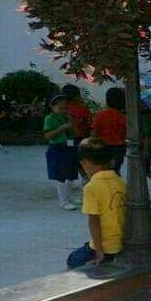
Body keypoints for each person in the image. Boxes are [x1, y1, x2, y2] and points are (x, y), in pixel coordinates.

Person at [66, 138, 126, 269]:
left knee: (73, 259)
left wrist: (99, 251)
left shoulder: (91, 187)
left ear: (85, 163)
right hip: (122, 242)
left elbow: (94, 221)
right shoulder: (120, 181)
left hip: (106, 246)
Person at [44, 94, 80, 211]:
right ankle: (63, 201)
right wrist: (62, 128)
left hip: (69, 146)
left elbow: (74, 132)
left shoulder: (66, 117)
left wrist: (72, 124)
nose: (63, 111)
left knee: (70, 173)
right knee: (61, 175)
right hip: (57, 147)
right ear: (52, 106)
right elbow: (47, 135)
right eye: (60, 108)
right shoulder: (49, 119)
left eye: (65, 108)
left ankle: (69, 197)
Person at [62, 84, 91, 151]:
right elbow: (88, 122)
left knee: (70, 151)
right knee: (80, 152)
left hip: (69, 136)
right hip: (82, 136)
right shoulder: (83, 106)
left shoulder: (62, 107)